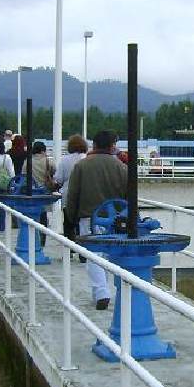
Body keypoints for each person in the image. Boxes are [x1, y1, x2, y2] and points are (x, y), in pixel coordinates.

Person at [65, 130, 127, 310]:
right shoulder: (121, 167)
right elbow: (128, 196)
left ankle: (101, 292)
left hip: (88, 218)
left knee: (93, 256)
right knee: (108, 255)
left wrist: (71, 217)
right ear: (111, 145)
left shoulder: (82, 166)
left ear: (94, 145)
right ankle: (104, 291)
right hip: (114, 220)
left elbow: (73, 194)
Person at [56, 134, 87, 243]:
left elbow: (58, 179)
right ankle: (82, 251)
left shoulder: (65, 160)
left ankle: (69, 249)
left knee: (68, 224)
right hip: (84, 195)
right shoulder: (87, 158)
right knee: (82, 224)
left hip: (68, 195)